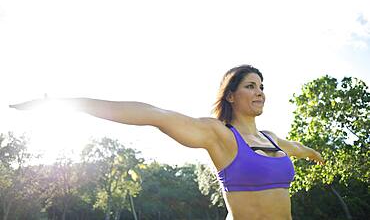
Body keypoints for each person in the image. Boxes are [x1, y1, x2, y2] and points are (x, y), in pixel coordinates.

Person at [10, 64, 324, 220]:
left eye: (262, 86)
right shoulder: (219, 135)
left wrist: (314, 153)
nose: (260, 92)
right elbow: (153, 114)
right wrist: (67, 103)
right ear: (231, 95)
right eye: (250, 86)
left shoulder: (271, 138)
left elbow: (296, 148)